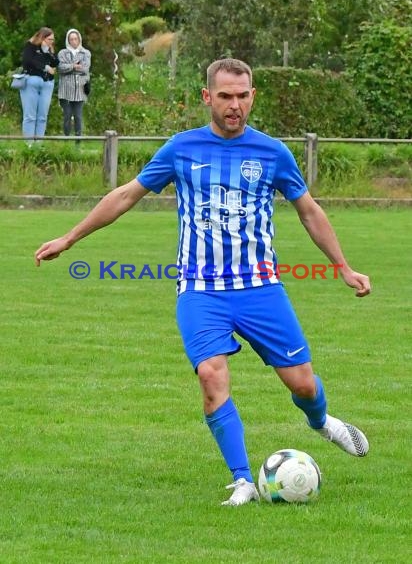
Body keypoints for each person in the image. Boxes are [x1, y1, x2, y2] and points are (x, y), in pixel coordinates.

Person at [35, 58, 371, 506]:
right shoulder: (181, 148)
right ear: (207, 97)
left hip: (260, 288)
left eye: (242, 96)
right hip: (200, 290)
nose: (235, 106)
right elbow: (125, 195)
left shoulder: (273, 153)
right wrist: (70, 237)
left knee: (303, 385)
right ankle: (242, 480)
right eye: (226, 96)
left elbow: (309, 211)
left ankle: (322, 422)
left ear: (252, 96)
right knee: (212, 377)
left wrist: (343, 267)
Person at [20, 27, 59, 143]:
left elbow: (56, 63)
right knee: (30, 116)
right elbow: (28, 61)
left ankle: (39, 145)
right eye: (49, 39)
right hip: (31, 81)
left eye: (53, 40)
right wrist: (45, 67)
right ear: (42, 38)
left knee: (42, 117)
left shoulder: (48, 49)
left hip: (47, 83)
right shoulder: (31, 46)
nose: (51, 42)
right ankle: (29, 145)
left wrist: (48, 52)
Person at [57, 28, 91, 141]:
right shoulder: (62, 53)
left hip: (80, 89)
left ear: (79, 39)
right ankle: (66, 139)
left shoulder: (85, 53)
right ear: (68, 40)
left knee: (78, 116)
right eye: (71, 39)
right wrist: (73, 66)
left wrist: (70, 67)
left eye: (75, 39)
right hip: (66, 90)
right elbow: (61, 68)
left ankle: (78, 141)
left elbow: (85, 68)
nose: (74, 41)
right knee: (67, 116)